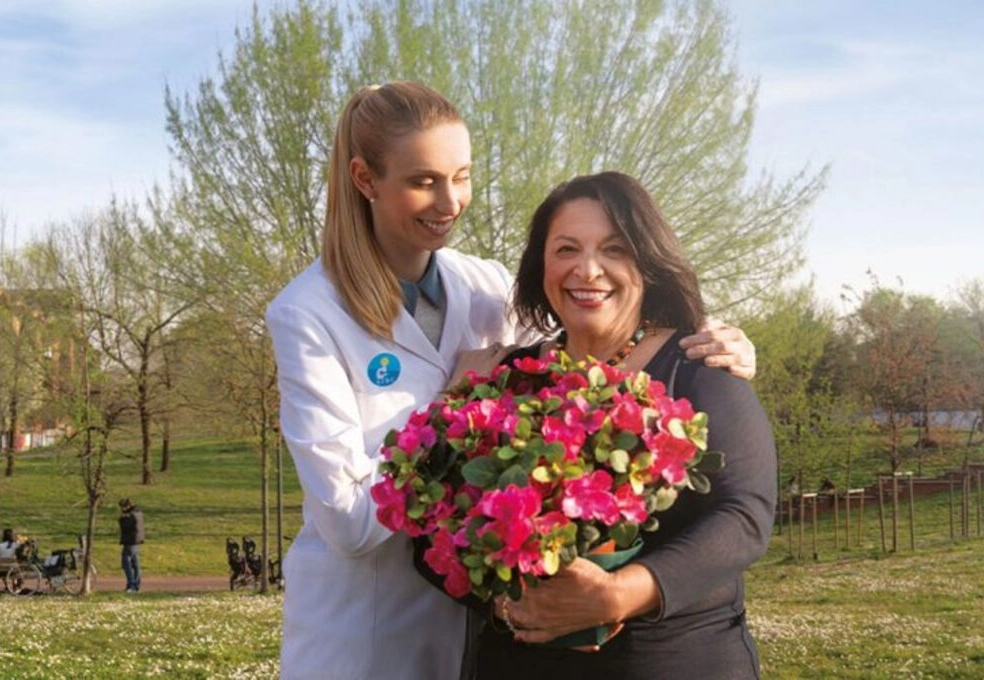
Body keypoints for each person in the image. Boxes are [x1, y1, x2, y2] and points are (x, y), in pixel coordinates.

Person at [266, 82, 757, 680]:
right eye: (424, 180)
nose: (450, 201)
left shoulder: (485, 285)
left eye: (462, 175)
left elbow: (595, 318)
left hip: (485, 630)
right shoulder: (309, 313)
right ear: (366, 180)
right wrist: (451, 408)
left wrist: (714, 336)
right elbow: (348, 520)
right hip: (369, 626)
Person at [448, 172, 778, 679]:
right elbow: (432, 528)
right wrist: (504, 603)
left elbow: (745, 514)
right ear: (541, 266)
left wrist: (619, 595)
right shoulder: (505, 383)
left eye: (615, 249)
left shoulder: (698, 366)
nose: (588, 269)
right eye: (566, 249)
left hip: (675, 662)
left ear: (647, 262)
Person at [118, 497, 144, 593]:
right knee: (136, 564)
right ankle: (136, 585)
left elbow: (125, 526)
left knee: (126, 564)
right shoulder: (139, 513)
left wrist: (121, 518)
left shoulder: (130, 516)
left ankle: (131, 585)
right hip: (137, 542)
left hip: (130, 542)